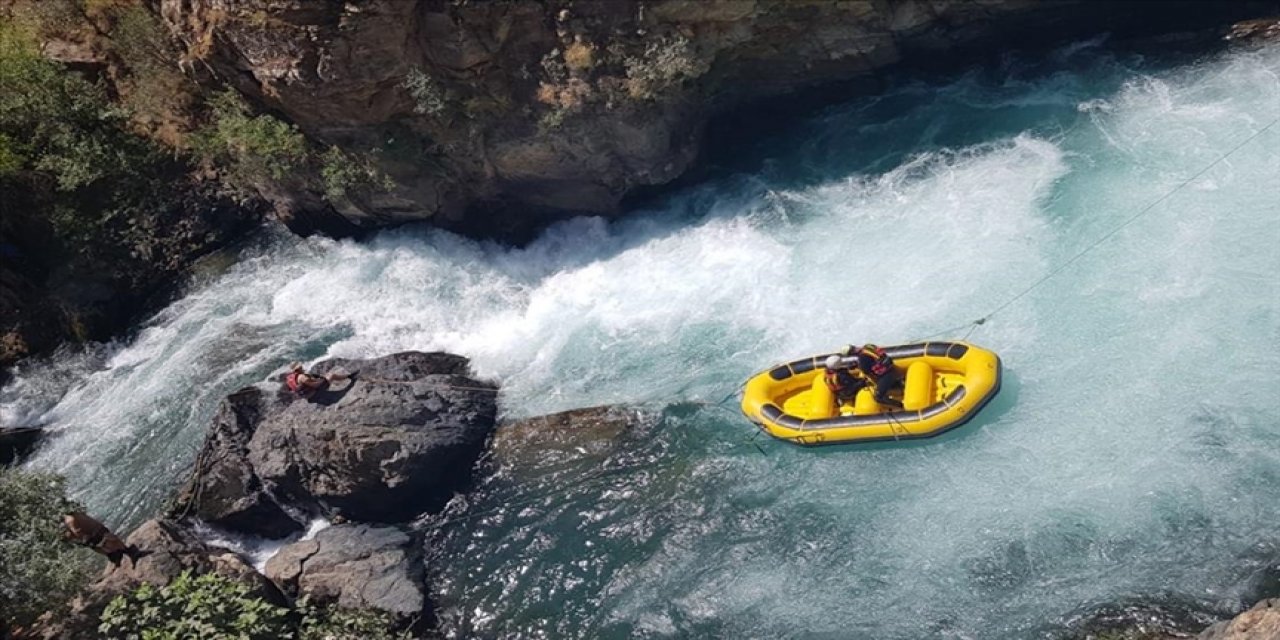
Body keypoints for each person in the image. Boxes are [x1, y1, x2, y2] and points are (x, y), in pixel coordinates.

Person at [62, 511, 143, 567]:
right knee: (113, 541)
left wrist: (84, 540)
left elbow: (78, 532)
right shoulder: (74, 515)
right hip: (97, 530)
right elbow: (79, 531)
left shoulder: (70, 520)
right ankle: (125, 553)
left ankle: (120, 554)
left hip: (95, 533)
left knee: (109, 542)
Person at [843, 343, 904, 409]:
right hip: (891, 367)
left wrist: (858, 366)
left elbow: (867, 371)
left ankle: (900, 406)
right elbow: (874, 358)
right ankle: (898, 385)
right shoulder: (868, 346)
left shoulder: (862, 359)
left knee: (878, 397)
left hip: (886, 375)